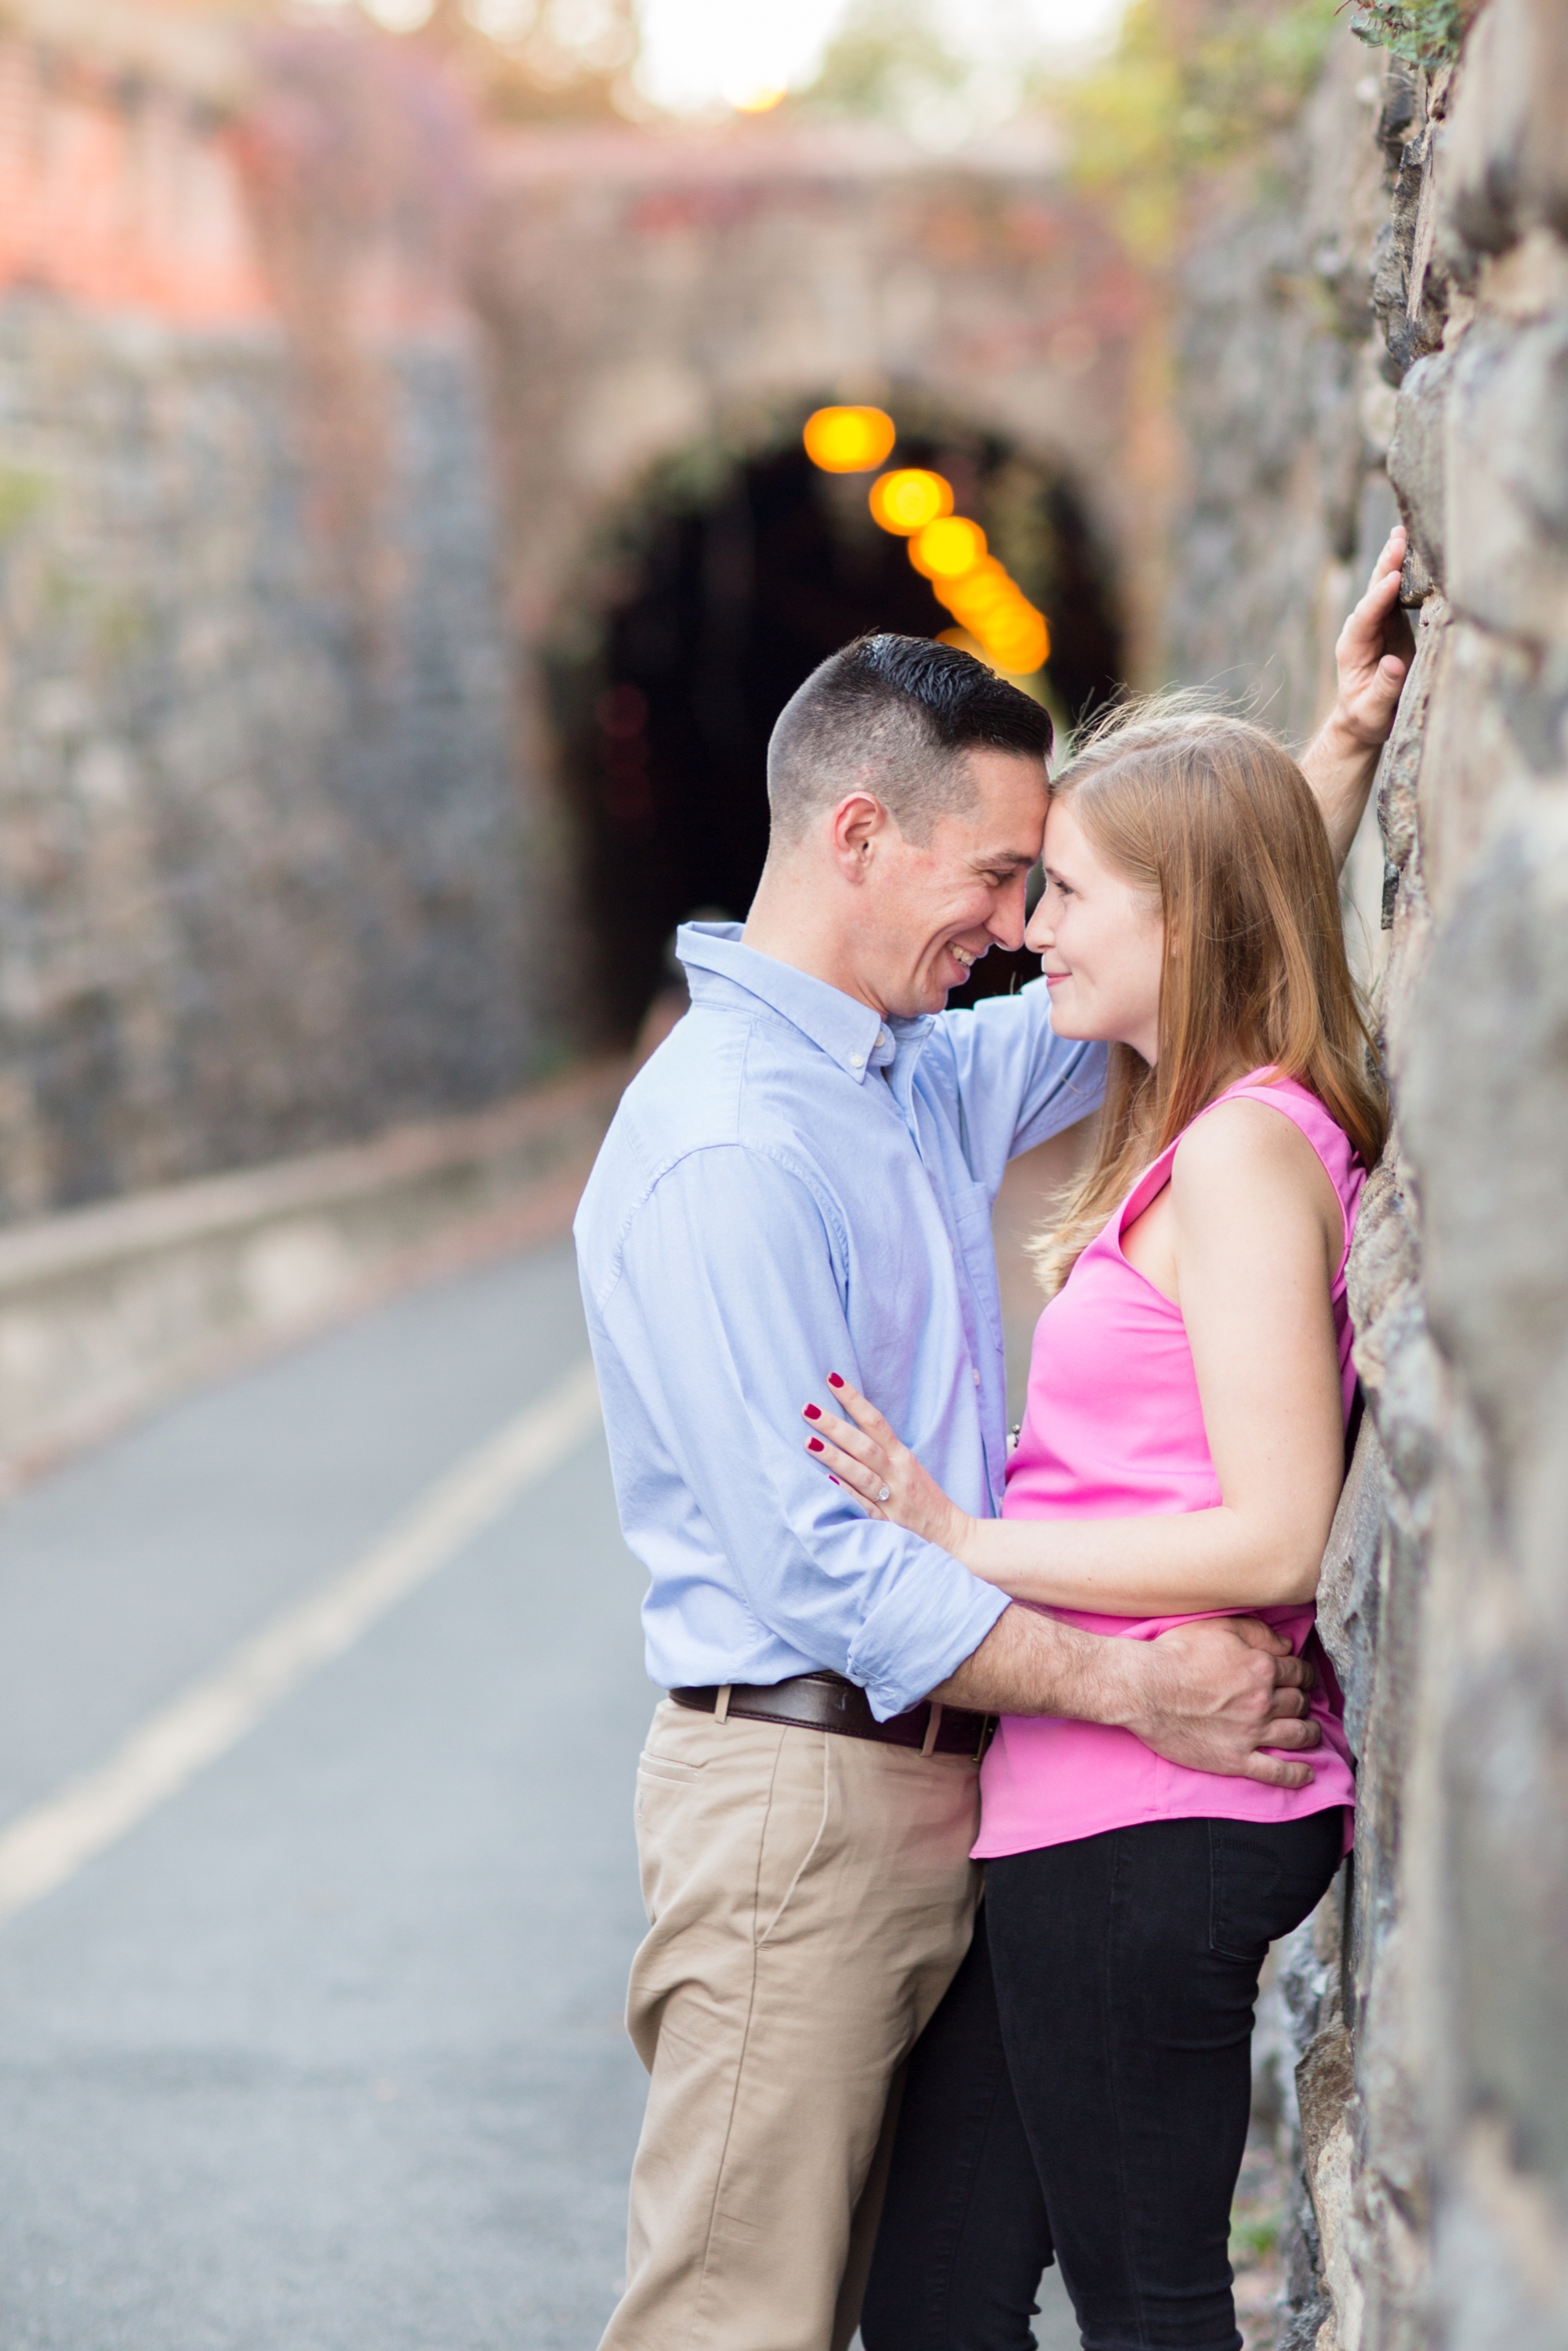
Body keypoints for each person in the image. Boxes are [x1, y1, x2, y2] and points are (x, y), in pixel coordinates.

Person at [572, 531, 1411, 2351]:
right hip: (804, 1803)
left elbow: (1189, 954)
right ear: (859, 835)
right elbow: (827, 1564)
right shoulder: (733, 1146)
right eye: (1000, 874)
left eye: (1047, 883)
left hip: (965, 1784)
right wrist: (1130, 1692)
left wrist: (1339, 752)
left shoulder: (906, 1075)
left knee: (923, 2299)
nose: (1020, 923)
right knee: (740, 2314)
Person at [803, 702, 1383, 2351]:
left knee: (1152, 2315)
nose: (1027, 927)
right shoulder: (1193, 1142)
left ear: (1181, 922)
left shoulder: (1244, 1155)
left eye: (1064, 892)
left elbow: (1278, 1535)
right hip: (1073, 1819)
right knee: (937, 2298)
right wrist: (1331, 745)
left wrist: (953, 1536)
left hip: (1149, 1824)